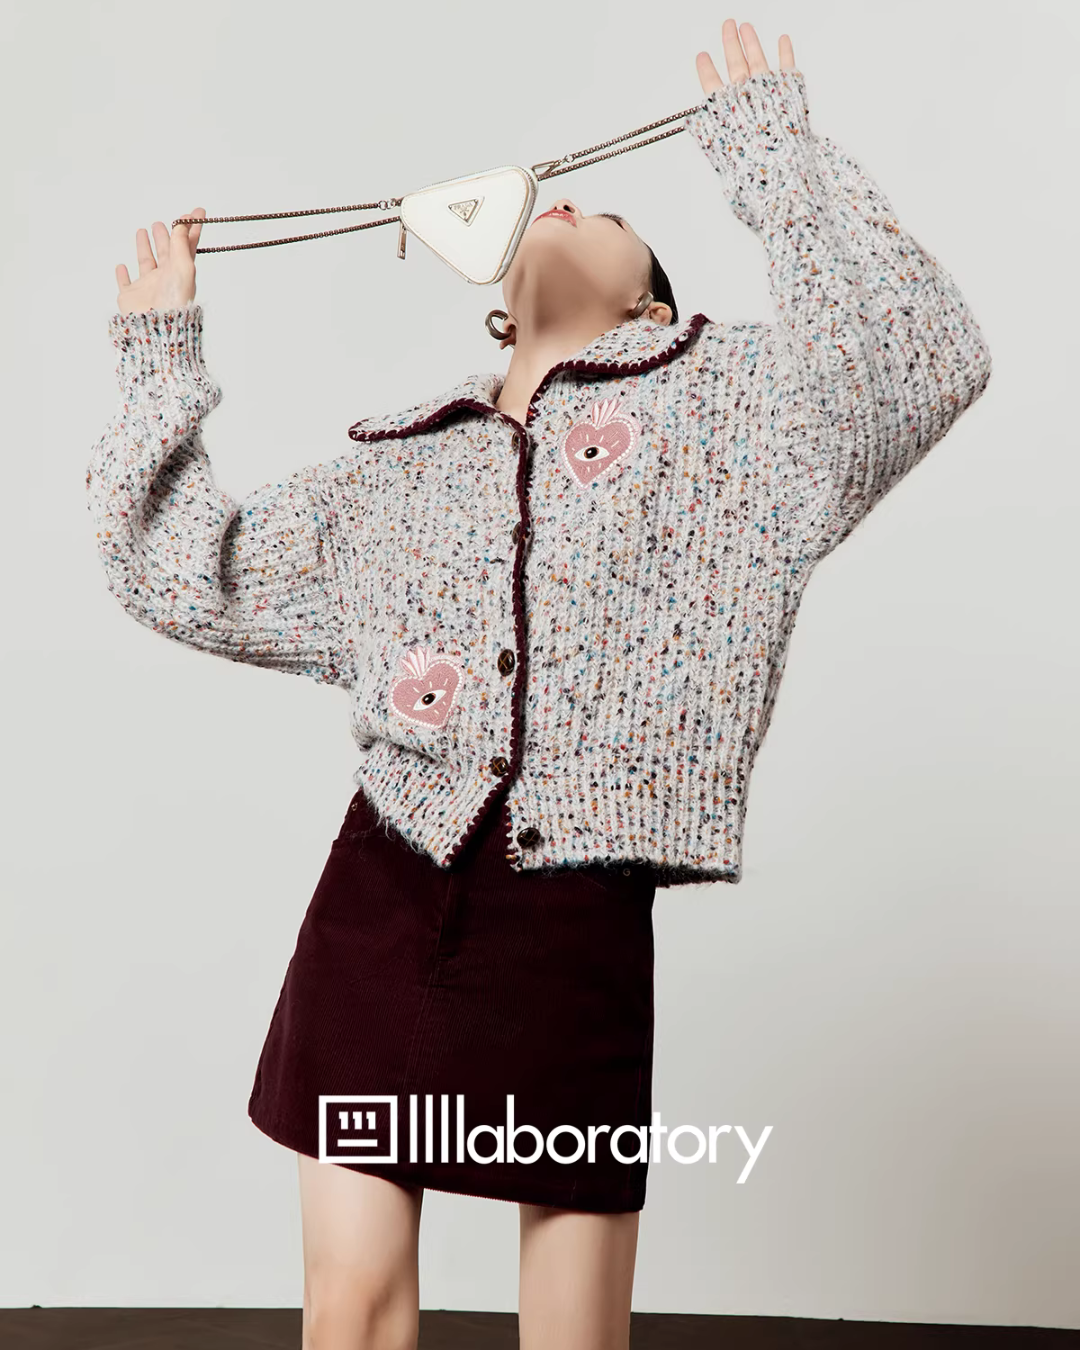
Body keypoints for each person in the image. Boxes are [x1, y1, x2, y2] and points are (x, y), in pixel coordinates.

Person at [88, 21, 991, 1350]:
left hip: (579, 908)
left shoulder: (739, 415)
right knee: (350, 1306)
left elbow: (923, 356)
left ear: (652, 307)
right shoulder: (396, 472)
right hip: (380, 897)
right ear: (497, 299)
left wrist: (778, 162)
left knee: (573, 1333)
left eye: (615, 217)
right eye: (556, 209)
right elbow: (187, 573)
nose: (570, 204)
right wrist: (158, 358)